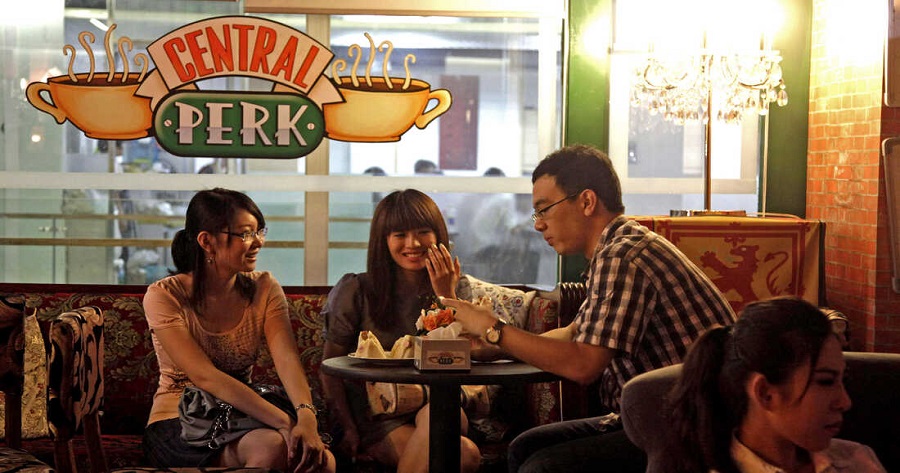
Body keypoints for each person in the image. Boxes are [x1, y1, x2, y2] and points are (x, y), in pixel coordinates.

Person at [442, 144, 736, 472]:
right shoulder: (617, 248)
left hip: (691, 429)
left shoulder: (623, 256)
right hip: (657, 417)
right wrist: (494, 348)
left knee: (541, 466)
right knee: (525, 447)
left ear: (586, 201)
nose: (538, 224)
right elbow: (573, 334)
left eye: (544, 209)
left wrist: (493, 329)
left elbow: (583, 364)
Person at [142, 188, 335, 472]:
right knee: (272, 448)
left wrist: (306, 418)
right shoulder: (164, 295)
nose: (258, 242)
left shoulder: (264, 287)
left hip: (246, 413)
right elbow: (205, 376)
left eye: (259, 232)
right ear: (207, 241)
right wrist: (284, 422)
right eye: (245, 234)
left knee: (322, 462)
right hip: (180, 420)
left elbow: (287, 360)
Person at [320, 189, 482, 473]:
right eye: (400, 234)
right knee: (465, 455)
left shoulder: (459, 288)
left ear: (439, 235)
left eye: (423, 232)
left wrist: (445, 295)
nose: (413, 243)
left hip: (443, 404)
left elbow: (462, 355)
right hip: (380, 419)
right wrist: (347, 427)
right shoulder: (357, 290)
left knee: (440, 411)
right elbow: (329, 368)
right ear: (383, 240)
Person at [662, 297, 886, 473]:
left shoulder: (856, 460)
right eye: (825, 381)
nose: (845, 402)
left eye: (842, 380)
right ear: (765, 393)